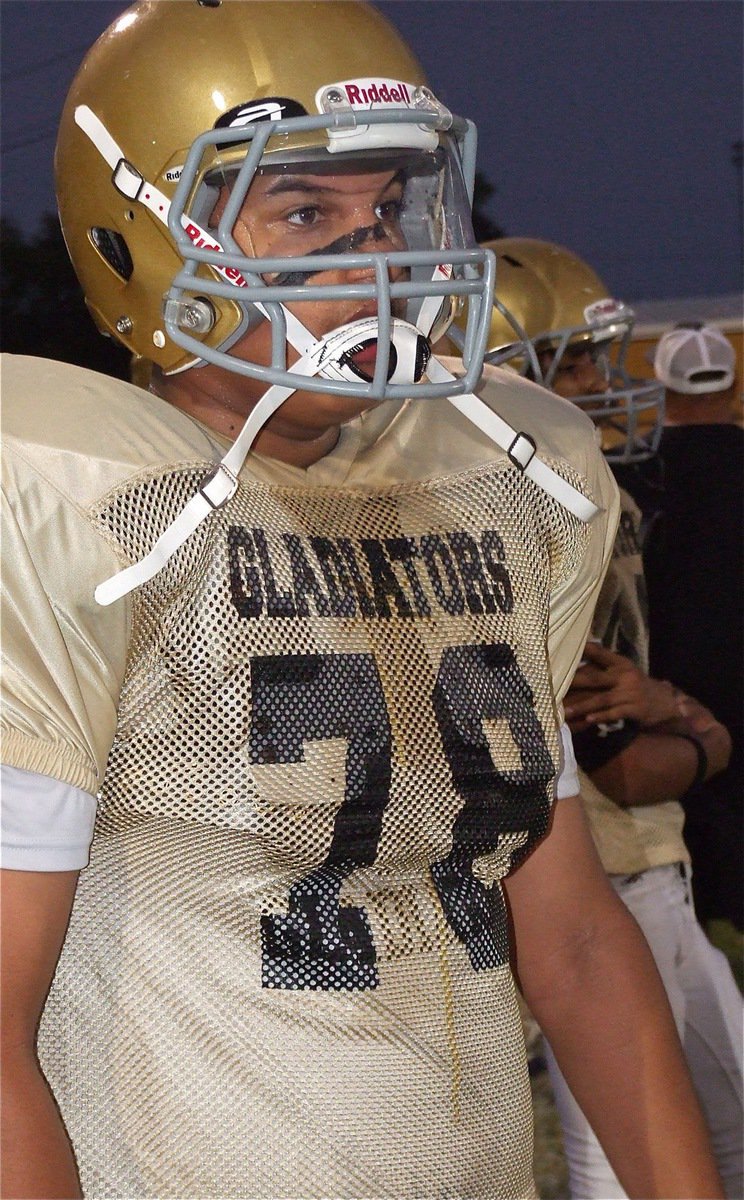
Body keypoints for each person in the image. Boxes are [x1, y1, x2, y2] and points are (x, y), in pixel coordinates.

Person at [0, 7, 723, 1198]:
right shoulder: (82, 507)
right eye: (303, 214)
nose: (373, 258)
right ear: (138, 237)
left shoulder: (495, 479)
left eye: (384, 209)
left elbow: (576, 931)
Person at [454, 238, 742, 1200]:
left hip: (642, 869)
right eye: (571, 361)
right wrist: (701, 731)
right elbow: (618, 756)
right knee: (616, 1159)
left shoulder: (591, 495)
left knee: (722, 1132)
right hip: (592, 881)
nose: (597, 383)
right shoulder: (514, 512)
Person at [645, 323, 743, 931]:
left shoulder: (637, 473)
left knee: (700, 816)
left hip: (676, 685)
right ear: (732, 385)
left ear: (661, 386)